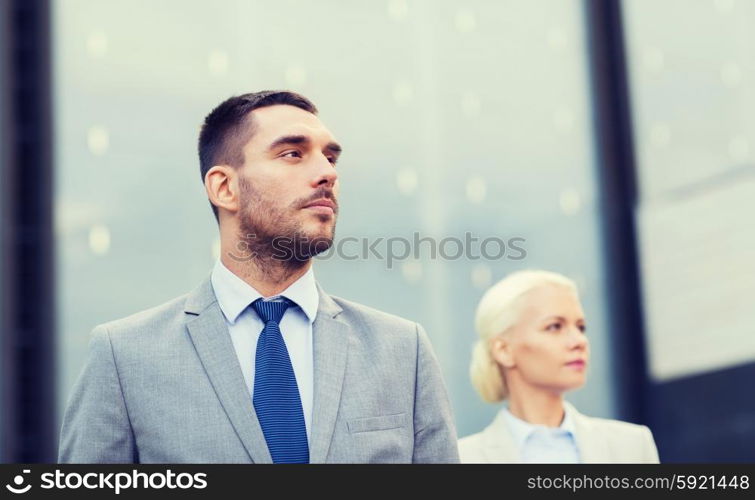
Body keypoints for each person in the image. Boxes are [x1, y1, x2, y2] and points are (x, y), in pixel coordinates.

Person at [58, 90, 459, 464]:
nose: (327, 173)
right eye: (292, 153)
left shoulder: (404, 351)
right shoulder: (124, 355)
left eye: (331, 158)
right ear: (225, 187)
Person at [458, 270, 659, 463]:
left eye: (581, 327)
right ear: (503, 350)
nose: (579, 341)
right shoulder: (460, 459)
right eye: (554, 326)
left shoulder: (631, 446)